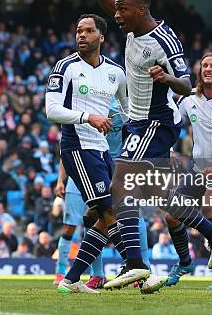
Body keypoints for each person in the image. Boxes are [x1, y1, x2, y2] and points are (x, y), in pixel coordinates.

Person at [77, 0, 212, 290]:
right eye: (116, 9)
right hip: (138, 120)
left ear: (141, 11)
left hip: (155, 121)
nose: (116, 15)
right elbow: (111, 6)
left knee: (121, 183)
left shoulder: (164, 41)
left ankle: (135, 264)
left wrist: (166, 78)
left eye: (122, 10)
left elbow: (186, 83)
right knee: (160, 194)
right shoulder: (134, 29)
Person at [141, 53, 212, 293]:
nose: (208, 69)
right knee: (171, 215)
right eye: (204, 65)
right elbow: (169, 125)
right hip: (198, 167)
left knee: (210, 208)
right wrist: (169, 151)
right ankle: (185, 263)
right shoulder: (188, 99)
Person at [45, 14, 129, 294]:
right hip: (78, 147)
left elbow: (128, 110)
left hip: (103, 151)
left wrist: (123, 119)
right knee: (109, 212)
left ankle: (71, 279)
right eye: (78, 30)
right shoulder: (65, 66)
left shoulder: (115, 72)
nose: (81, 35)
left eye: (88, 31)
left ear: (101, 37)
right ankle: (136, 267)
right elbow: (52, 110)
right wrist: (87, 117)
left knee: (99, 217)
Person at [53, 98, 151, 290]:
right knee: (98, 216)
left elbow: (139, 136)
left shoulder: (125, 108)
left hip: (115, 164)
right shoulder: (86, 107)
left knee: (112, 215)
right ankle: (123, 270)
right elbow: (68, 140)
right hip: (87, 160)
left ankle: (138, 268)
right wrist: (60, 180)